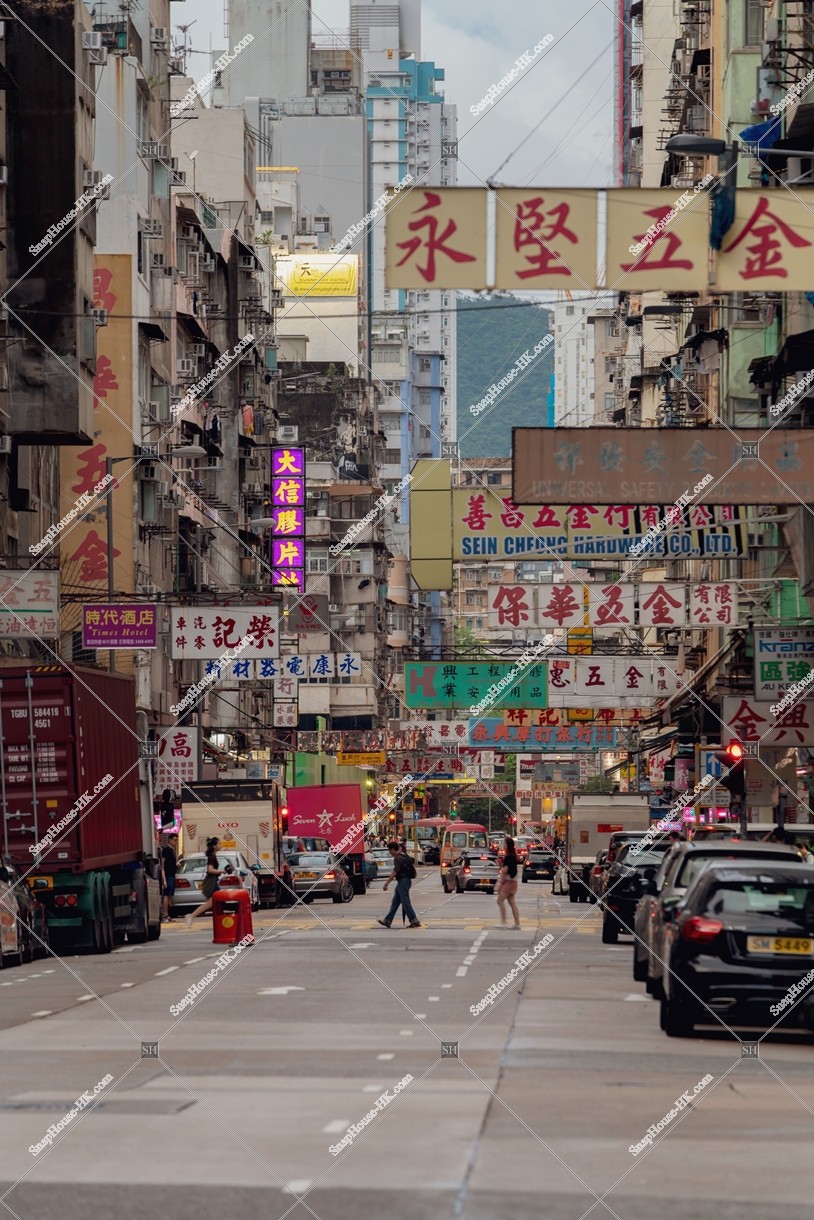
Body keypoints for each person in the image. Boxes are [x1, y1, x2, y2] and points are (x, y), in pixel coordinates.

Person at [377, 840, 421, 929]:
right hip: (405, 881)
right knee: (395, 902)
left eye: (390, 851)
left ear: (393, 849)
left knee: (405, 902)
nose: (389, 853)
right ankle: (387, 921)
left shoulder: (398, 858)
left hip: (403, 881)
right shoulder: (404, 855)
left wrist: (386, 883)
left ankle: (414, 920)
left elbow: (395, 872)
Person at [184, 837, 221, 927]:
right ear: (214, 846)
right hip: (211, 882)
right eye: (219, 844)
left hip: (213, 881)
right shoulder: (212, 856)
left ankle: (219, 922)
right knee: (211, 903)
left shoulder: (213, 855)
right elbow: (210, 870)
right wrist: (222, 871)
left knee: (218, 901)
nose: (221, 846)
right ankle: (191, 916)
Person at [497, 836, 520, 929]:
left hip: (509, 882)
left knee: (499, 901)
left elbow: (505, 870)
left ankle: (503, 922)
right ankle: (517, 923)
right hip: (513, 882)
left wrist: (499, 883)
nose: (503, 845)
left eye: (505, 843)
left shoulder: (509, 857)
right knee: (512, 903)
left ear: (508, 845)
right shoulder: (513, 856)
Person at [160, 834, 178, 922]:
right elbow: (162, 866)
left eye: (176, 840)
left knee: (169, 895)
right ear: (170, 840)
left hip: (172, 875)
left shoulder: (172, 851)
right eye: (174, 840)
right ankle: (165, 915)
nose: (176, 842)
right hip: (167, 876)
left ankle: (167, 915)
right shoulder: (166, 850)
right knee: (166, 895)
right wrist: (164, 880)